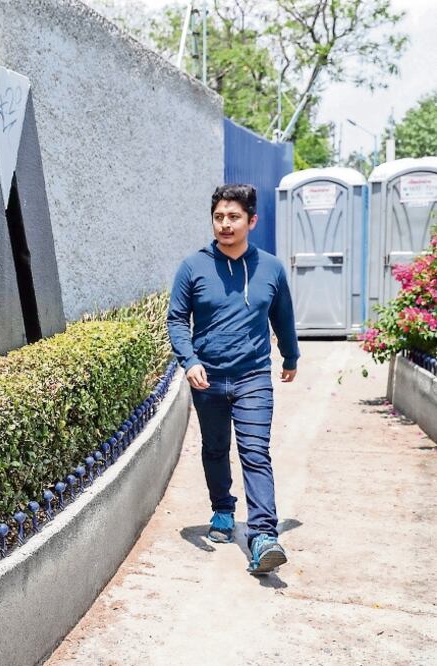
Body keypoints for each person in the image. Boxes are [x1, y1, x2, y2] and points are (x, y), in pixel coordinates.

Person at [166, 183, 300, 575]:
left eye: (234, 217)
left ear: (251, 221)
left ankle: (262, 536)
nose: (225, 224)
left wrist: (290, 355)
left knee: (255, 453)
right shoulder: (193, 266)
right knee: (214, 448)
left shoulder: (270, 268)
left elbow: (283, 317)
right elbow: (177, 318)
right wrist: (188, 360)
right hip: (207, 377)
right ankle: (223, 509)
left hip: (253, 375)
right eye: (219, 217)